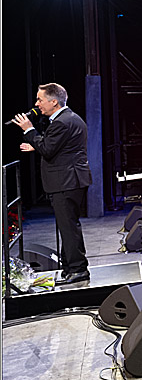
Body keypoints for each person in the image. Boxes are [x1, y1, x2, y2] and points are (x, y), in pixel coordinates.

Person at [15, 83, 93, 284]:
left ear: (54, 101)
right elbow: (58, 146)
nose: (37, 104)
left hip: (66, 181)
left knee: (68, 226)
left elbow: (49, 149)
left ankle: (78, 269)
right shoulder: (68, 119)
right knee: (68, 226)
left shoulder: (61, 122)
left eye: (40, 100)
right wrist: (38, 146)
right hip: (71, 179)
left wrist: (29, 130)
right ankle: (70, 267)